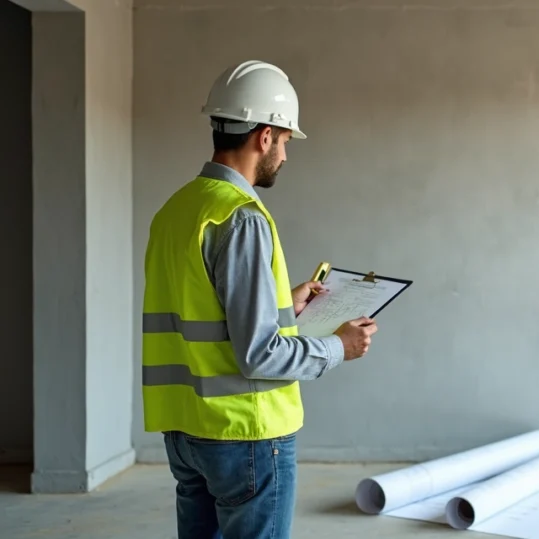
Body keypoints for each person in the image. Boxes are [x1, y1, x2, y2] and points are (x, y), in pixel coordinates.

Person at [140, 60, 377, 539]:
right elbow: (259, 353)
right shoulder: (242, 218)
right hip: (245, 435)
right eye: (286, 141)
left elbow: (202, 307)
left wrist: (284, 303)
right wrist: (339, 347)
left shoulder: (178, 209)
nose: (286, 156)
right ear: (264, 136)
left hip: (186, 432)